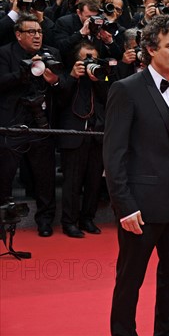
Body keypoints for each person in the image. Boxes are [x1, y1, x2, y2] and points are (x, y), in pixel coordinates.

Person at [103, 15, 169, 336]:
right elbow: (114, 155)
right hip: (139, 209)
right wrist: (124, 205)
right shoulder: (125, 90)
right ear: (150, 49)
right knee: (130, 281)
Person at [0, 14, 62, 237]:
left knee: (45, 176)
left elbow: (61, 85)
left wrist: (53, 80)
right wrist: (23, 72)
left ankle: (45, 220)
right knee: (5, 176)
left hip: (41, 122)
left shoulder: (51, 53)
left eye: (39, 32)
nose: (37, 36)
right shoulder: (5, 53)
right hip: (11, 123)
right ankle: (4, 221)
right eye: (31, 32)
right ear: (18, 35)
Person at [55, 42, 109, 238]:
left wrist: (98, 79)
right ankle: (69, 222)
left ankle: (88, 218)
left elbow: (107, 97)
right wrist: (72, 77)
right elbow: (59, 101)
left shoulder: (101, 74)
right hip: (74, 135)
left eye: (93, 58)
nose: (89, 62)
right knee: (72, 183)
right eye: (86, 58)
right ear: (76, 60)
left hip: (96, 135)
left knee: (94, 181)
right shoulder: (67, 76)